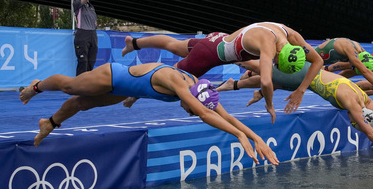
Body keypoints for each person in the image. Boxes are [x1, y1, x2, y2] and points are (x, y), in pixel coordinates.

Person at [18, 63, 278, 165]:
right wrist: (238, 137)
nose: (188, 113)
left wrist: (255, 137)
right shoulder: (181, 85)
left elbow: (225, 116)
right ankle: (37, 86)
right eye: (190, 110)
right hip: (113, 75)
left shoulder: (201, 87)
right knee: (70, 86)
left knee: (82, 104)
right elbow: (204, 114)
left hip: (129, 88)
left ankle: (49, 123)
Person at [219, 61, 373, 170]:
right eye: (355, 124)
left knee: (275, 82)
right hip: (303, 76)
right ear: (358, 117)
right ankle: (226, 54)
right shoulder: (352, 103)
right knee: (264, 71)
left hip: (307, 76)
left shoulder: (366, 102)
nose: (352, 122)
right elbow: (372, 133)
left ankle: (237, 85)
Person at [122, 22, 323, 122]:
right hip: (211, 55)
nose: (274, 65)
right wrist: (269, 105)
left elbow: (318, 60)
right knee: (173, 80)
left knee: (174, 45)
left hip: (216, 39)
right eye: (277, 64)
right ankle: (134, 92)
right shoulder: (269, 47)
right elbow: (267, 82)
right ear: (279, 55)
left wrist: (301, 90)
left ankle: (134, 43)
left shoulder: (291, 36)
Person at [73, 0, 106, 75]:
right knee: (83, 62)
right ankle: (79, 85)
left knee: (91, 61)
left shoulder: (91, 7)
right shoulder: (77, 4)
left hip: (92, 34)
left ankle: (87, 85)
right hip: (83, 34)